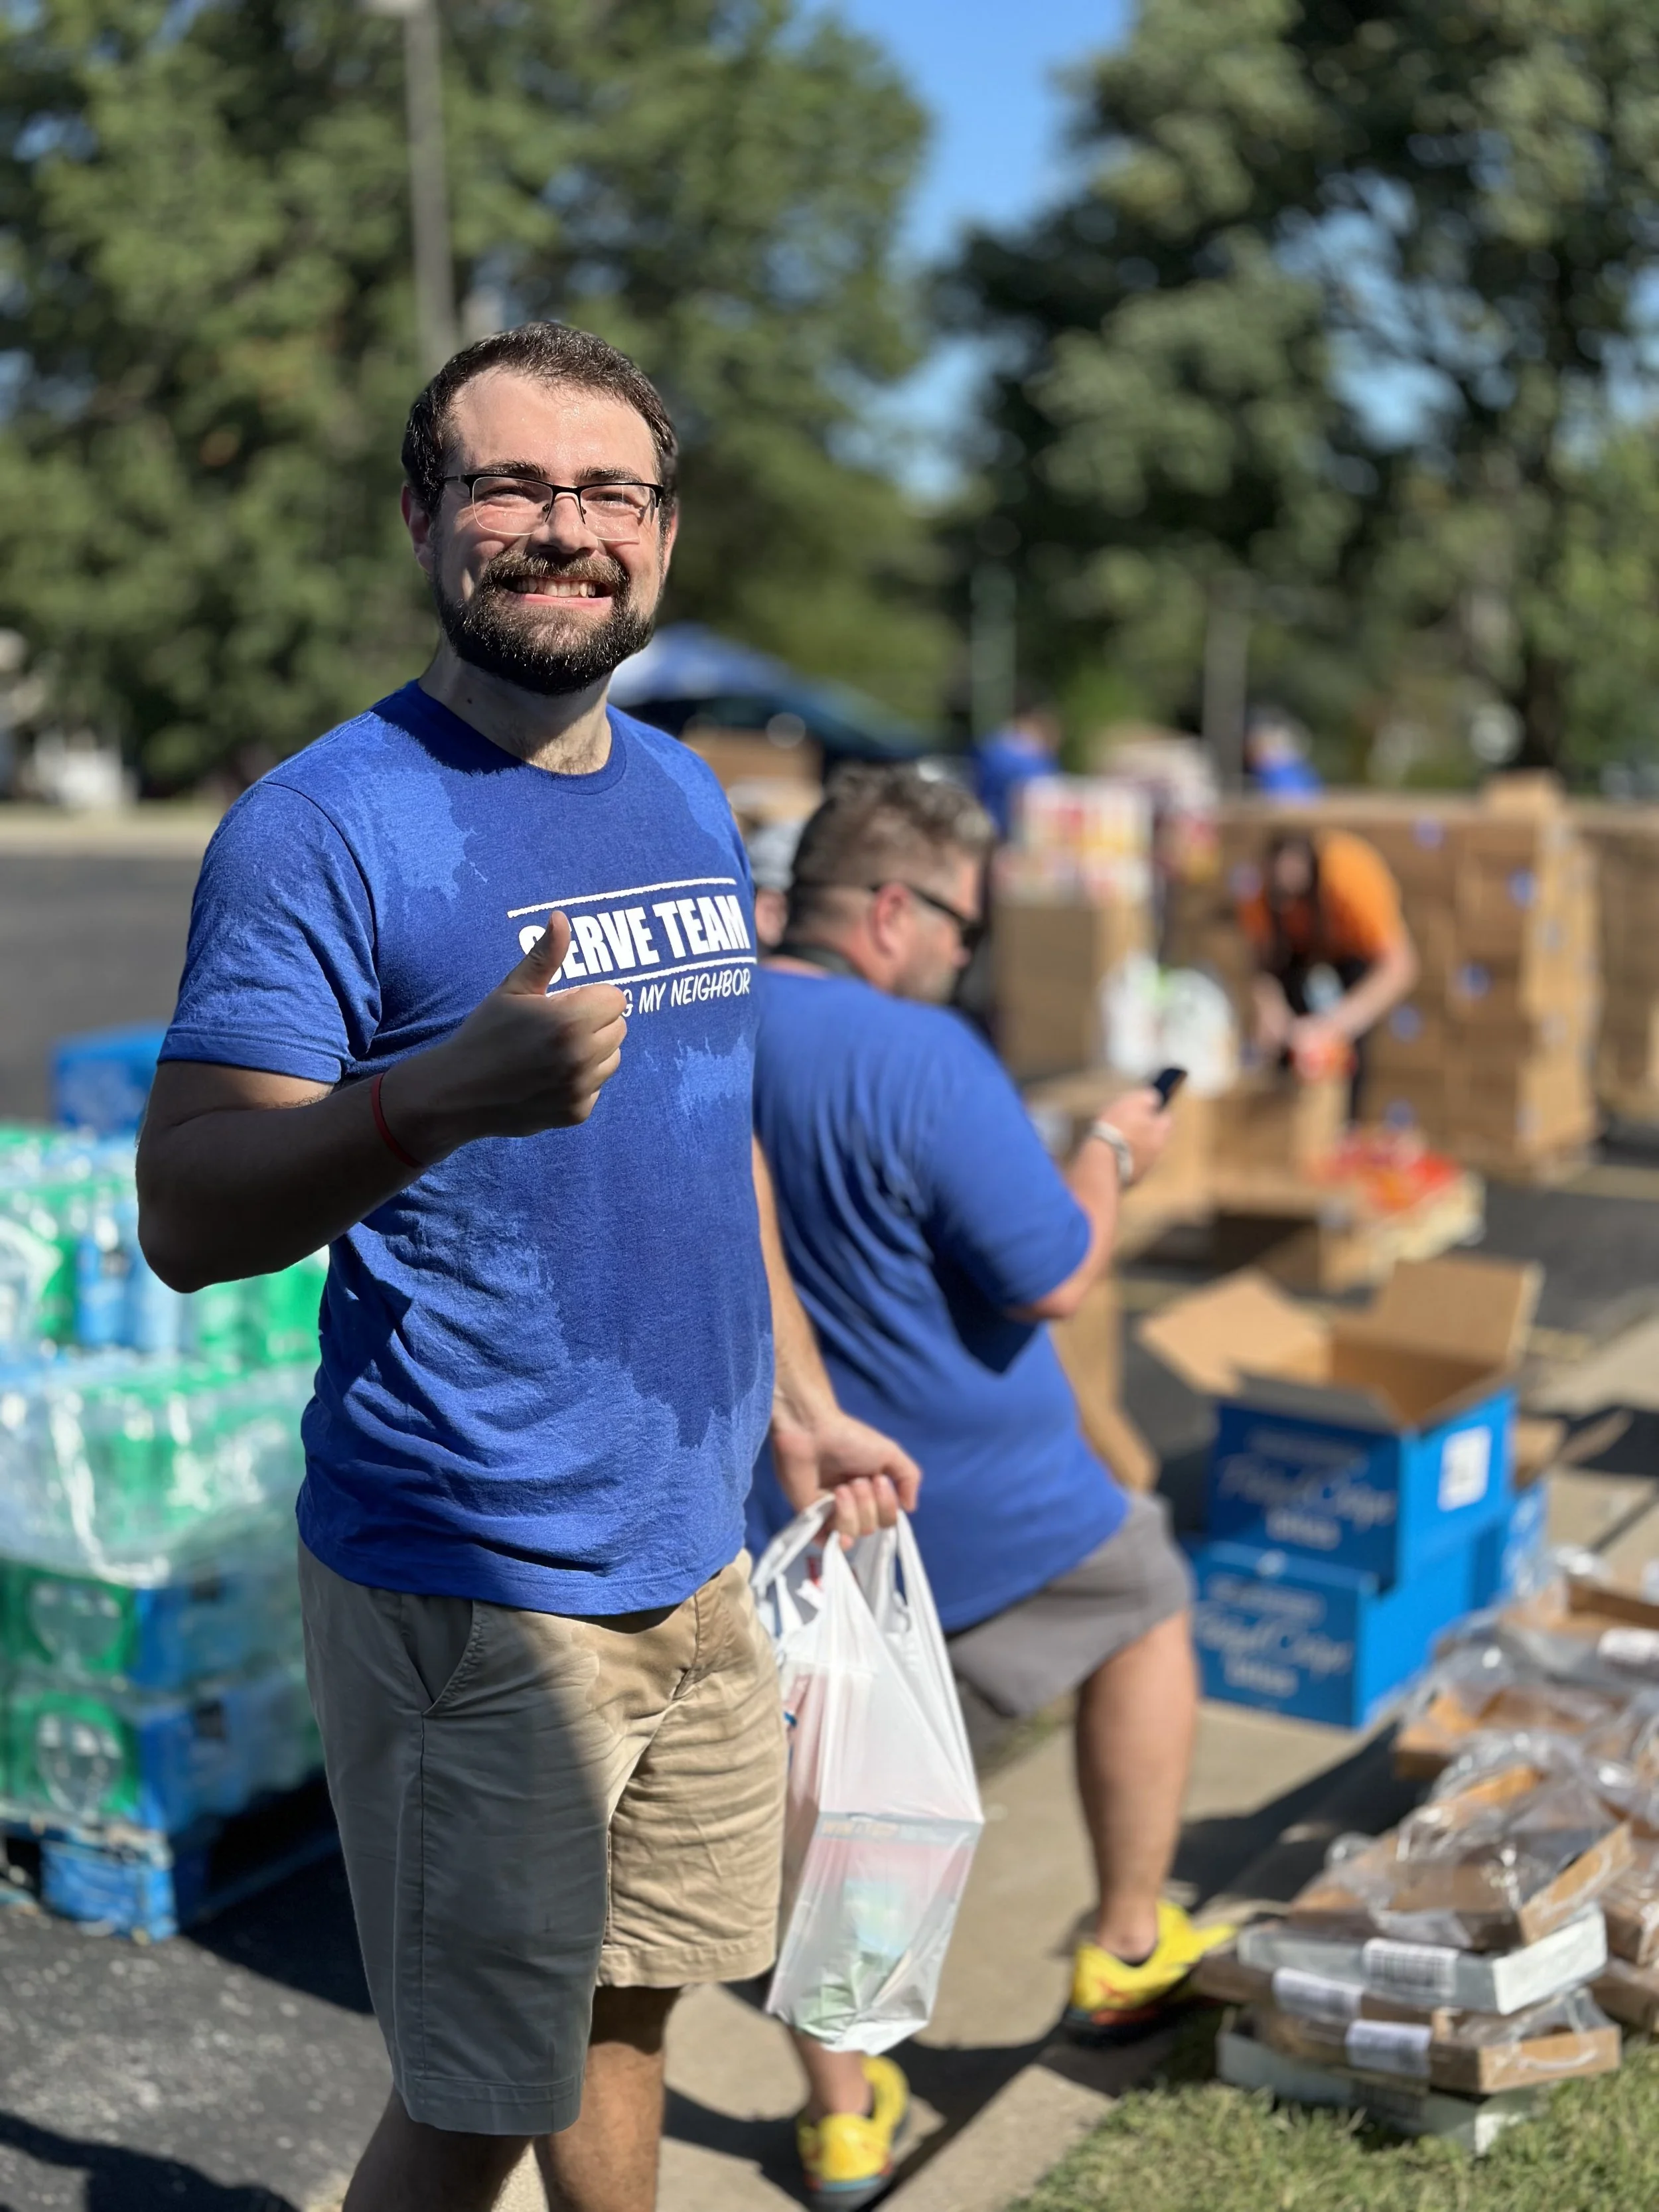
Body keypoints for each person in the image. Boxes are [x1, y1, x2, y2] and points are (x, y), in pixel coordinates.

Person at [135, 323, 918, 2212]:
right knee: (479, 2091)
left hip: (697, 1542)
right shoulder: (323, 827)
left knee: (631, 2005)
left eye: (610, 493)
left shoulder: (683, 795)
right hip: (477, 1580)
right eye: (511, 484)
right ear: (423, 516)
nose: (563, 528)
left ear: (659, 535)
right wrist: (429, 1102)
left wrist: (797, 1406)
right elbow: (186, 1209)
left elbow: (707, 1127)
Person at [746, 766, 1230, 2209]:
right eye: (965, 926)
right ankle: (1127, 1940)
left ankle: (842, 2121)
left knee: (830, 1801)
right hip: (989, 1493)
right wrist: (1107, 1150)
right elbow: (1055, 1273)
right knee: (1145, 1593)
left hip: (790, 1506)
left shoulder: (700, 1027)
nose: (969, 957)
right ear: (894, 908)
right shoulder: (920, 1053)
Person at [1238, 828, 1418, 1101]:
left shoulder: (1351, 876)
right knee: (1288, 1052)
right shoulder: (1261, 893)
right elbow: (1262, 965)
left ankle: (1344, 1120)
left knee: (1347, 1052)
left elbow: (1400, 966)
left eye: (1295, 897)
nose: (1288, 907)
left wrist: (1334, 1024)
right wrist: (1271, 1009)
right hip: (1298, 961)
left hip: (1354, 962)